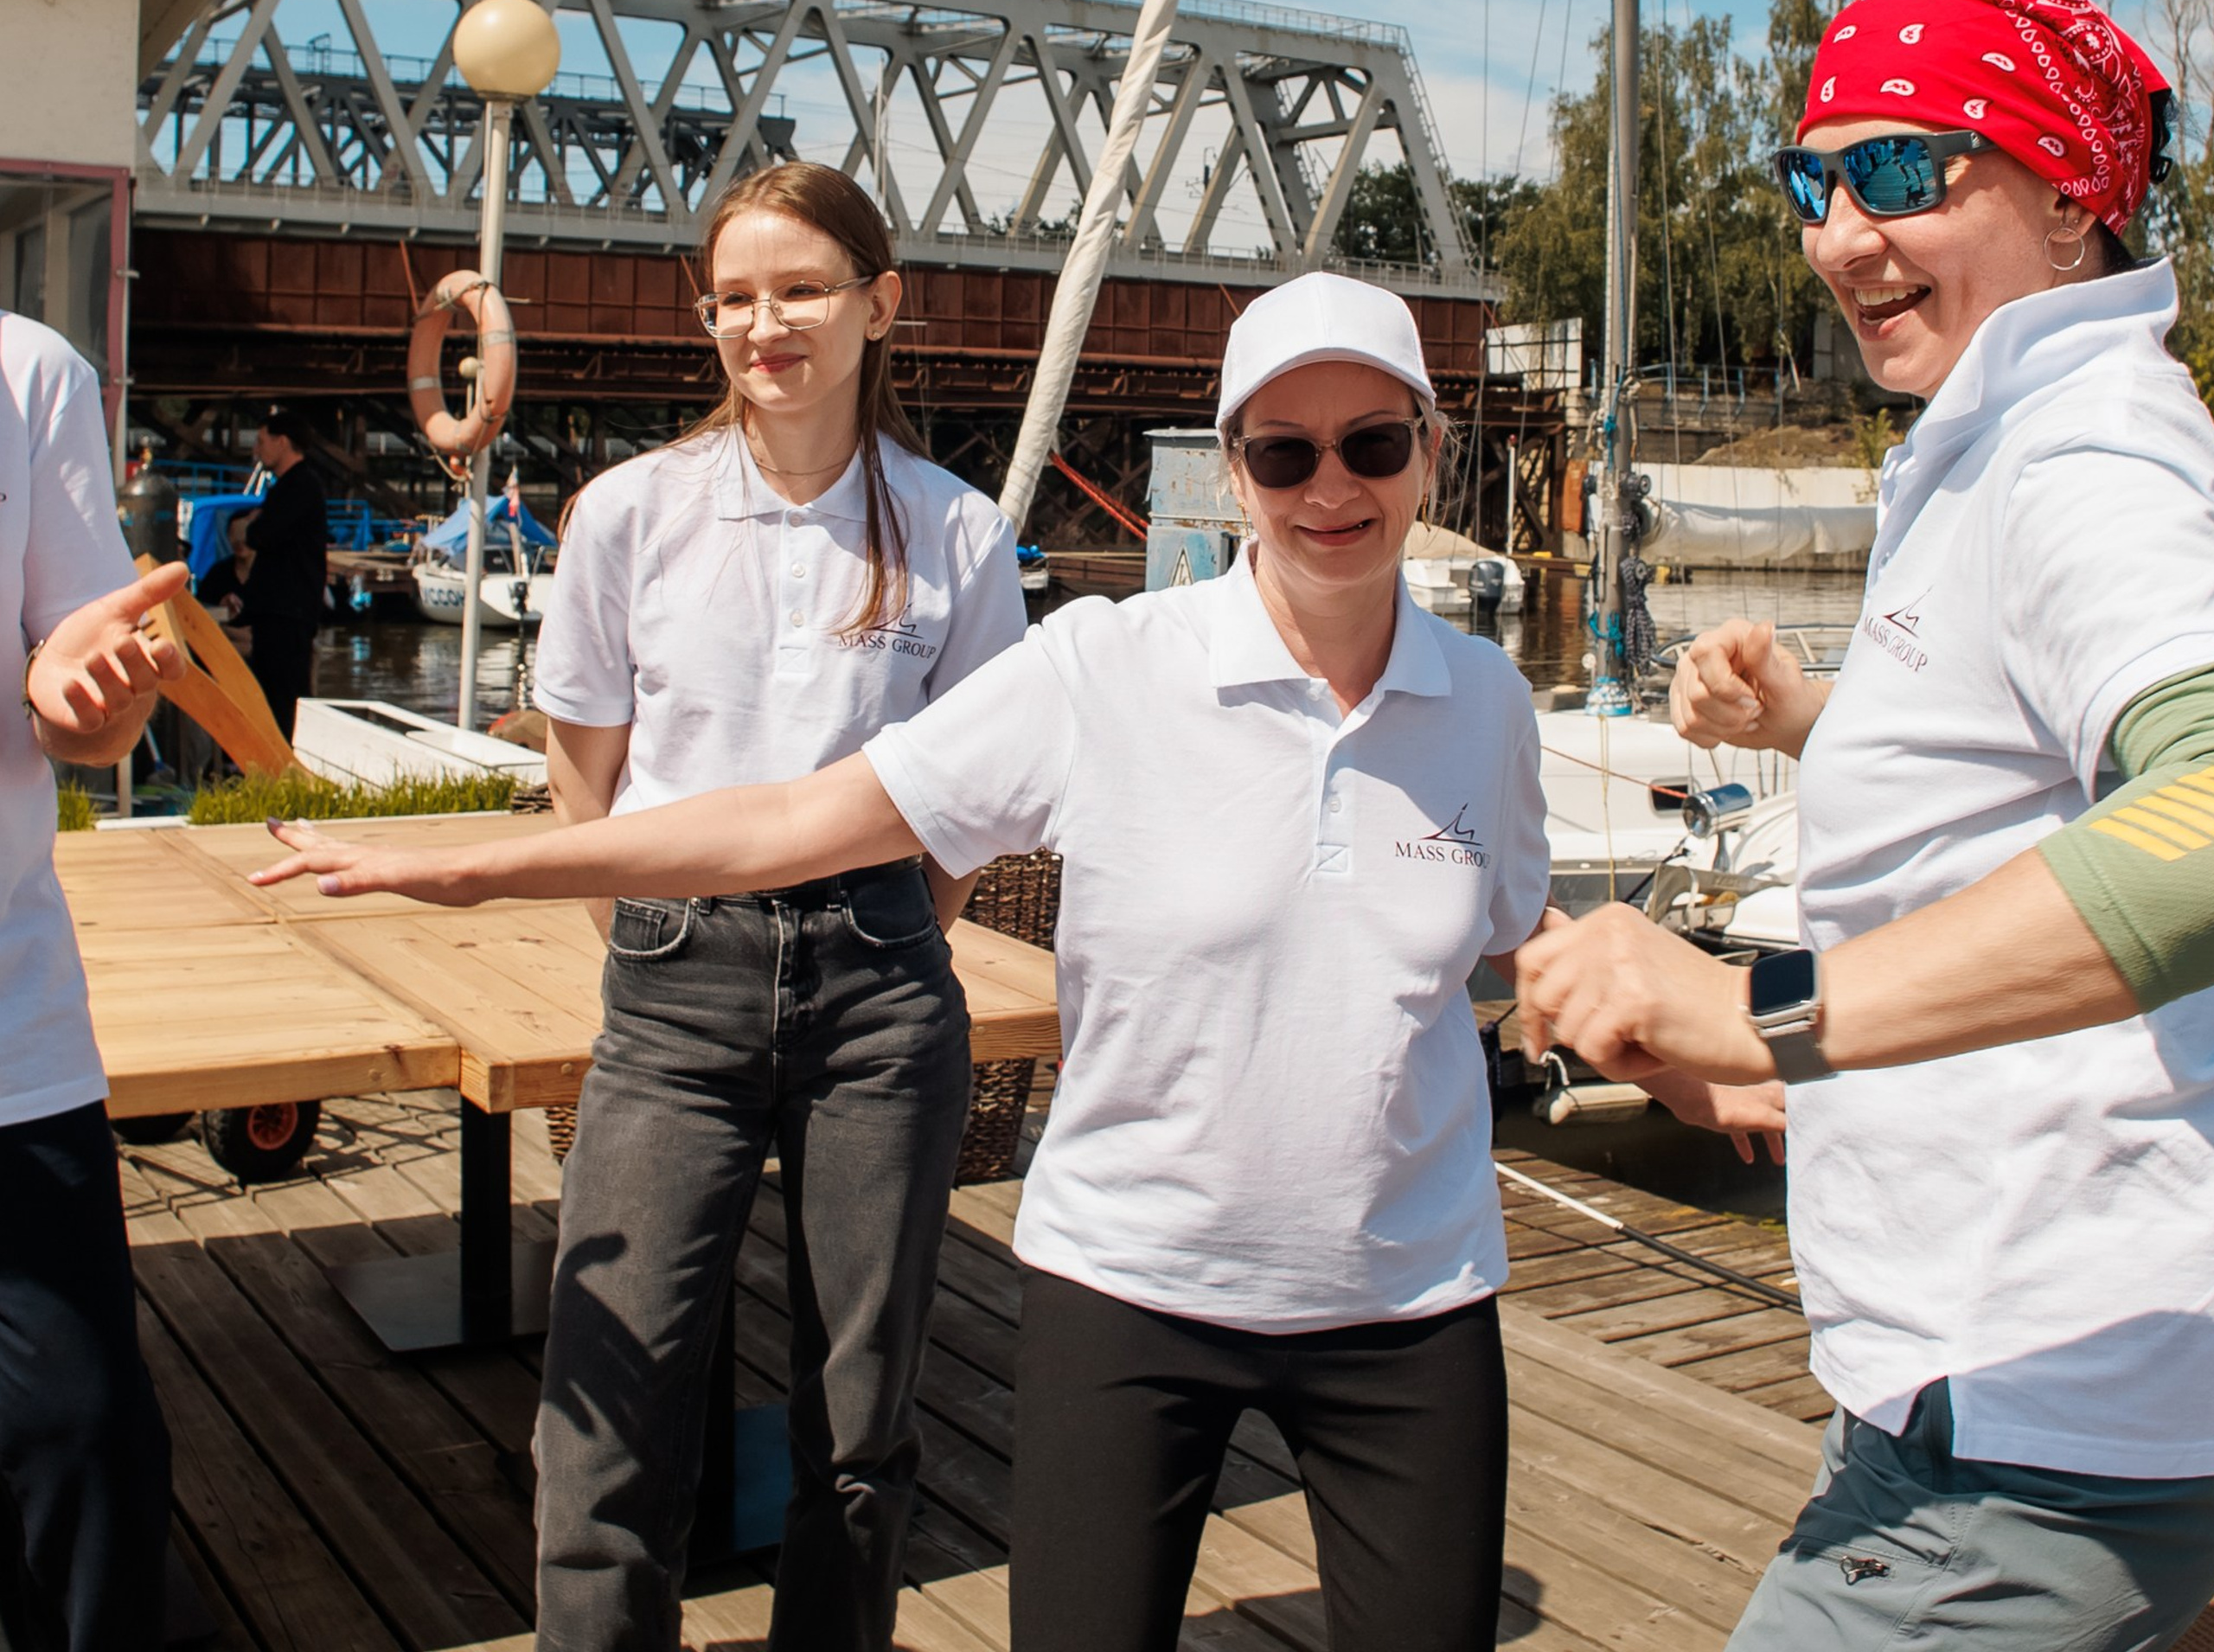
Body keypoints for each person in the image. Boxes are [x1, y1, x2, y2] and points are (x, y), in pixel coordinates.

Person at [253, 271, 1780, 1652]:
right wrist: (479, 863)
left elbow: (1515, 943)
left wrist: (1719, 1069)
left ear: (1430, 453)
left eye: (1372, 446)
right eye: (1283, 452)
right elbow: (791, 822)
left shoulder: (1487, 699)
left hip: (1406, 1299)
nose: (1332, 488)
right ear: (1236, 466)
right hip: (1135, 1291)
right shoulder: (1104, 669)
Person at [1514, 0, 2214, 1649]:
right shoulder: (1996, 431)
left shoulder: (2077, 458)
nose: (1836, 232)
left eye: (1899, 169)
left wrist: (1768, 1014)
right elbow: (2035, 803)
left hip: (2028, 1426)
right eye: (1808, 180)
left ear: (2065, 198)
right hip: (2009, 1376)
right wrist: (1816, 723)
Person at [520, 162, 1027, 1649]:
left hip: (881, 994)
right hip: (677, 987)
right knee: (610, 1408)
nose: (767, 325)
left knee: (859, 1427)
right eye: (736, 298)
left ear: (879, 307)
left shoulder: (955, 535)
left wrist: (895, 928)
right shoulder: (629, 517)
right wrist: (664, 943)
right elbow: (582, 779)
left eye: (801, 290)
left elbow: (972, 799)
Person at [2, 305, 185, 1648]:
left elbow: (84, 675)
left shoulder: (23, 370)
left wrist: (95, 700)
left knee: (81, 1434)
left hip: (12, 1036)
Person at [241, 408, 325, 740]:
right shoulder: (292, 486)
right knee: (273, 686)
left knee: (284, 691)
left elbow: (262, 534)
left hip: (288, 608)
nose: (256, 450)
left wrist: (251, 525)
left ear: (282, 441)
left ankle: (286, 755)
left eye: (262, 441)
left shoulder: (298, 486)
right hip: (280, 607)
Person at [195, 509, 255, 646]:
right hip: (225, 641)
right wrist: (222, 611)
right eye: (235, 535)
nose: (240, 541)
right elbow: (201, 613)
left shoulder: (270, 574)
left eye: (245, 535)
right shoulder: (219, 572)